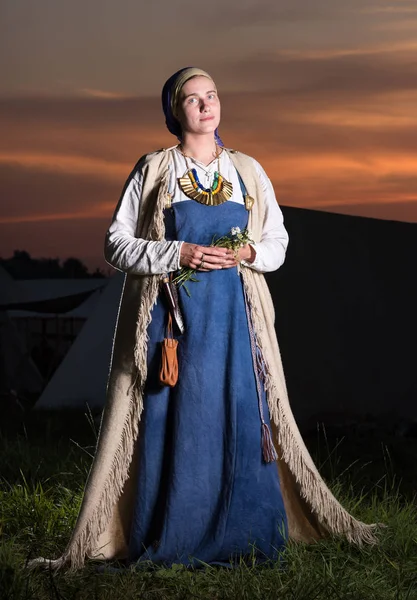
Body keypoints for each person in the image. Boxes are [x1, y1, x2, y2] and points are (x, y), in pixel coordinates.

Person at [28, 67, 376, 571]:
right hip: (172, 327)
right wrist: (179, 251)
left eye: (212, 95)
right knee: (179, 426)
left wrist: (248, 251)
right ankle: (173, 534)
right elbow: (115, 244)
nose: (206, 105)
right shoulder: (154, 169)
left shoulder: (247, 170)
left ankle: (251, 535)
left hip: (237, 323)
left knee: (241, 419)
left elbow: (277, 244)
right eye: (193, 99)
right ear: (175, 111)